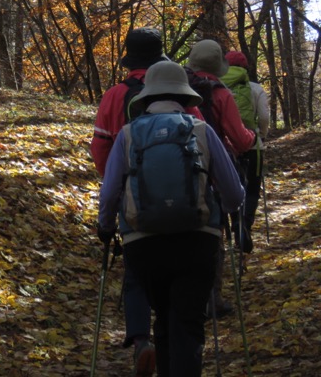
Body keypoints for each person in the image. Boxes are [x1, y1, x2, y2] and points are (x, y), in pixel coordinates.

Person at [97, 60, 244, 377]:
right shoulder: (201, 131)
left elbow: (109, 194)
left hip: (143, 243)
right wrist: (229, 212)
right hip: (198, 237)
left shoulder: (127, 135)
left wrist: (106, 227)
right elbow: (233, 192)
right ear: (185, 97)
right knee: (188, 323)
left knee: (163, 318)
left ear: (147, 98)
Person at [90, 28, 201, 376]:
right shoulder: (186, 104)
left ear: (129, 58)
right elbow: (201, 148)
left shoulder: (114, 96)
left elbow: (100, 149)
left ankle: (141, 340)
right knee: (180, 281)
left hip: (132, 202)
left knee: (136, 275)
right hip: (187, 208)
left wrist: (118, 185)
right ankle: (175, 345)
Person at [184, 39, 256, 317]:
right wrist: (251, 139)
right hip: (211, 171)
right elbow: (239, 138)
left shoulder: (180, 87)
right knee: (213, 234)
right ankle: (211, 297)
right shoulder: (220, 93)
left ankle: (184, 293)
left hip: (180, 169)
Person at [221, 51, 270, 253]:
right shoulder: (255, 88)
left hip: (227, 146)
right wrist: (262, 134)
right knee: (252, 187)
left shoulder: (217, 88)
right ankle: (245, 226)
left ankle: (235, 222)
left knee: (233, 187)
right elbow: (264, 117)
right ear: (246, 68)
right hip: (253, 145)